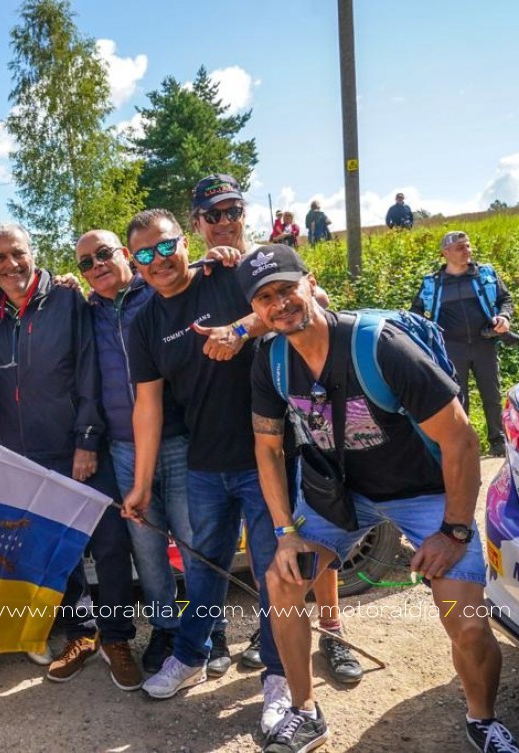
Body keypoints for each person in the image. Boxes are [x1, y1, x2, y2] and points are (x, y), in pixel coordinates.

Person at [242, 244, 519, 753]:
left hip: (423, 493)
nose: (279, 303)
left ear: (310, 281)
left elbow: (460, 439)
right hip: (340, 495)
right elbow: (267, 447)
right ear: (255, 310)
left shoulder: (381, 347)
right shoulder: (271, 361)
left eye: (286, 288)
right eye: (264, 297)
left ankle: (482, 720)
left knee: (467, 623)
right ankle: (306, 712)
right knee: (281, 585)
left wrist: (454, 529)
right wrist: (284, 533)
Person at [153, 174, 358, 686]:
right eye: (212, 214)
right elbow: (154, 286)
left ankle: (329, 637)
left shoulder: (265, 260)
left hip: (299, 431)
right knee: (264, 559)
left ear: (245, 213)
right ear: (195, 223)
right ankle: (264, 648)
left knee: (311, 540)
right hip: (227, 445)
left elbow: (312, 300)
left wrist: (241, 329)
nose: (224, 222)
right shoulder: (197, 272)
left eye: (232, 211)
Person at [121, 200, 290, 735]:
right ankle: (191, 657)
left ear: (184, 243)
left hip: (267, 455)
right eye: (146, 252)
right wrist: (141, 485)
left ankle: (280, 677)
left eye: (167, 245)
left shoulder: (225, 275)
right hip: (204, 463)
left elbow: (298, 302)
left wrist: (239, 330)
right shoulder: (142, 321)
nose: (159, 259)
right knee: (202, 571)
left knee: (275, 573)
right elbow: (146, 406)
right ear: (134, 261)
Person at [0, 223, 141, 693]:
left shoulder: (69, 299)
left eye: (17, 253)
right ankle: (81, 634)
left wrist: (87, 440)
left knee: (110, 542)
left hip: (78, 447)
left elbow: (90, 371)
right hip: (24, 454)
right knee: (57, 548)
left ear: (33, 252)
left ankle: (116, 637)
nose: (11, 265)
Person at [76, 228, 192, 677]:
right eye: (85, 263)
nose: (96, 266)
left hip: (178, 440)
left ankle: (207, 630)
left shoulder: (159, 291)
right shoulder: (87, 310)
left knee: (192, 539)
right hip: (123, 446)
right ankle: (165, 627)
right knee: (145, 547)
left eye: (103, 254)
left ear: (125, 255)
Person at [411, 230, 513, 457]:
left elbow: (505, 299)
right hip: (450, 348)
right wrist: (427, 335)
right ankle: (463, 443)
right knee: (457, 397)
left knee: (492, 395)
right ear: (445, 253)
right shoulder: (432, 283)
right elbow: (415, 312)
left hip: (484, 343)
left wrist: (504, 318)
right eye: (460, 248)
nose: (467, 251)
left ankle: (497, 441)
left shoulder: (485, 273)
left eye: (468, 246)